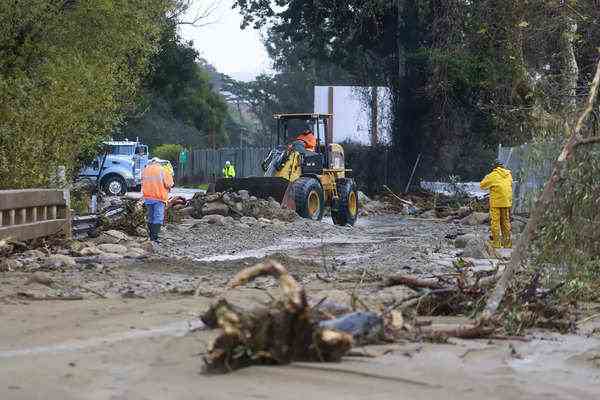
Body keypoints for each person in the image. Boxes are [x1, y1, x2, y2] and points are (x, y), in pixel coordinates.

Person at [480, 160, 513, 249]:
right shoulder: (508, 174)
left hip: (496, 203)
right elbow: (510, 184)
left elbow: (482, 185)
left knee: (495, 222)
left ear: (494, 167)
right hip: (506, 202)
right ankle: (507, 243)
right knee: (506, 222)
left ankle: (496, 243)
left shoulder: (492, 175)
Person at [142, 158, 174, 243]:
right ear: (159, 163)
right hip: (159, 197)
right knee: (158, 218)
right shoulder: (162, 170)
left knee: (150, 217)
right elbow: (169, 184)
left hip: (148, 197)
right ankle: (154, 237)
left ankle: (150, 236)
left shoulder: (145, 170)